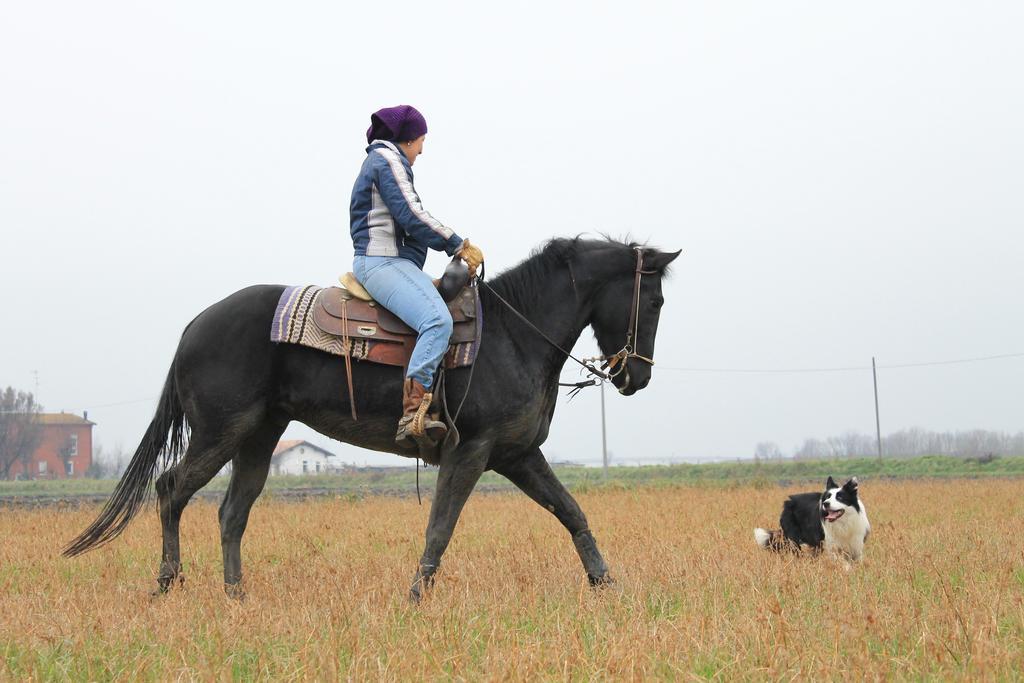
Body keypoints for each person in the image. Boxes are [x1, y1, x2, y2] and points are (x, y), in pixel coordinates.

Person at [350, 105, 484, 448]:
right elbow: (412, 215)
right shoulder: (388, 160)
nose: (421, 150)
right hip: (381, 264)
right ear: (407, 138)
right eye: (421, 140)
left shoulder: (384, 160)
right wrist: (457, 244)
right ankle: (414, 411)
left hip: (395, 263)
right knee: (438, 322)